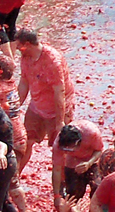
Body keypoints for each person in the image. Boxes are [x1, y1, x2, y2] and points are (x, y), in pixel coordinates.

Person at [14, 29, 73, 169]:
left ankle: (61, 181)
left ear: (27, 44)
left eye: (19, 46)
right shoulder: (26, 57)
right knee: (25, 142)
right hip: (37, 106)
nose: (17, 49)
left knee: (59, 149)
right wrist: (14, 108)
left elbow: (59, 92)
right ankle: (15, 177)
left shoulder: (52, 61)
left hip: (57, 109)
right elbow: (24, 83)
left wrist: (60, 122)